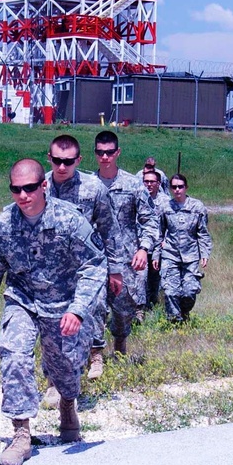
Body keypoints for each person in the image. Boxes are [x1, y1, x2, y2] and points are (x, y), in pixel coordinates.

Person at [0, 159, 107, 465]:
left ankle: (68, 403)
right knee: (14, 353)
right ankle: (21, 435)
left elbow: (95, 264)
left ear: (43, 186)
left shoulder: (69, 220)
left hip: (63, 305)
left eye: (30, 188)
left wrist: (78, 309)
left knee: (65, 367)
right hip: (23, 299)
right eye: (16, 189)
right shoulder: (4, 224)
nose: (23, 195)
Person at [45, 134, 119, 388]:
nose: (62, 167)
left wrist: (116, 270)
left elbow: (109, 229)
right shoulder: (39, 186)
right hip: (51, 268)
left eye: (68, 161)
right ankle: (56, 381)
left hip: (86, 264)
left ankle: (96, 353)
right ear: (49, 158)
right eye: (56, 160)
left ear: (79, 159)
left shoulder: (93, 188)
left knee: (94, 307)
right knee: (55, 320)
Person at [93, 130, 159, 356]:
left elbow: (150, 219)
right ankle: (96, 355)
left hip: (126, 260)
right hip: (95, 258)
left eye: (109, 152)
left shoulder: (133, 184)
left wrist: (144, 248)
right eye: (100, 153)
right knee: (95, 307)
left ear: (117, 153)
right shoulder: (89, 185)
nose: (105, 157)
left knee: (123, 311)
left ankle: (120, 343)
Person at [153, 173, 212, 323]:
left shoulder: (197, 207)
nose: (177, 190)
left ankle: (184, 313)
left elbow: (203, 232)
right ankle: (175, 323)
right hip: (170, 254)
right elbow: (159, 233)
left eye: (180, 186)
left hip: (190, 255)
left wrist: (204, 253)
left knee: (189, 292)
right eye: (174, 187)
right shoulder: (166, 207)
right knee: (171, 291)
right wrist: (156, 254)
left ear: (186, 187)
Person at [141, 168, 170, 308]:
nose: (149, 184)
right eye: (146, 181)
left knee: (156, 277)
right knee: (141, 278)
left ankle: (154, 303)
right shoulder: (138, 198)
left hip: (158, 246)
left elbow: (170, 224)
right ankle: (141, 306)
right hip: (141, 246)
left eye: (152, 182)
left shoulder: (166, 202)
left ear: (158, 183)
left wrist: (165, 241)